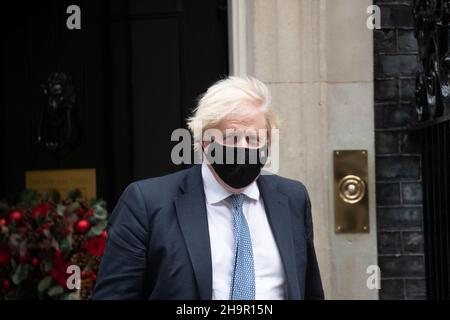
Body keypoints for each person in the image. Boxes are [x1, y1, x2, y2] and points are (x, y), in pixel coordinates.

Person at [92, 76, 324, 300]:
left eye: (253, 140)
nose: (243, 148)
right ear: (205, 141)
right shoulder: (147, 203)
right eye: (232, 138)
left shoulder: (293, 198)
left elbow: (310, 290)